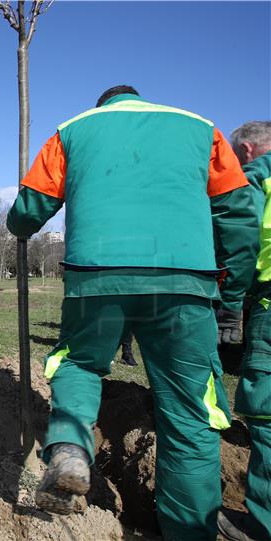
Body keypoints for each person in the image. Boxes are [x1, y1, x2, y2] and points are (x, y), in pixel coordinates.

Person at [6, 85, 258, 540]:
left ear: (104, 104)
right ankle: (189, 532)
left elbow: (27, 212)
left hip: (97, 279)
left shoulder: (73, 130)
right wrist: (232, 297)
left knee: (80, 364)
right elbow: (237, 215)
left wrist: (19, 223)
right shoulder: (204, 130)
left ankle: (67, 450)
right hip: (185, 284)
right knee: (188, 414)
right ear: (141, 100)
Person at [217, 120, 271, 541]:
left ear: (248, 151)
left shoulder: (257, 176)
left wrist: (232, 303)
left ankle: (262, 524)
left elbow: (241, 236)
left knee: (266, 411)